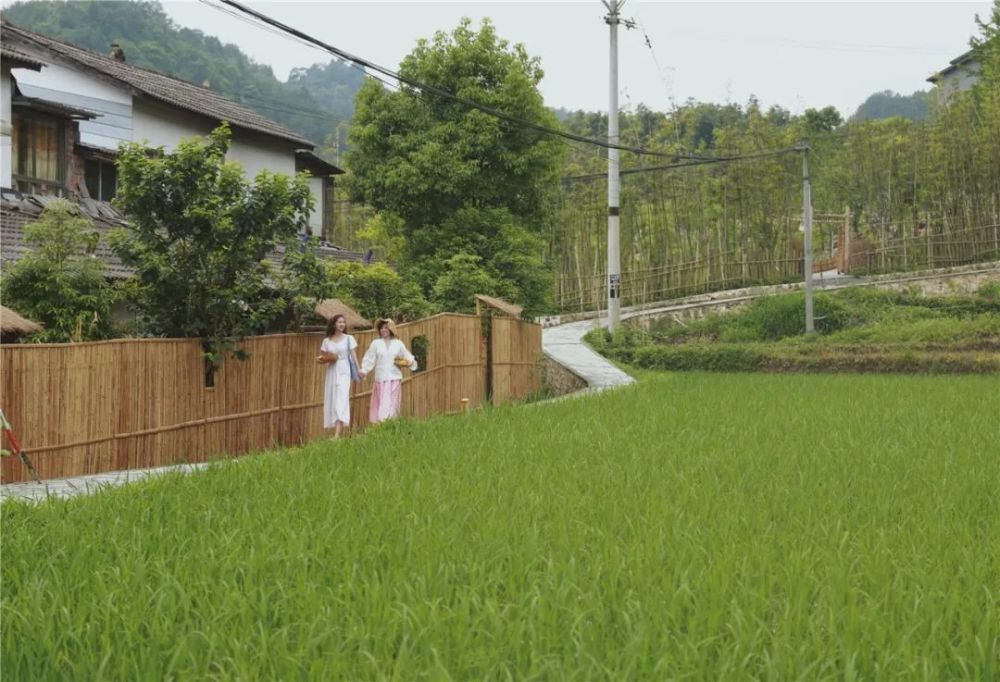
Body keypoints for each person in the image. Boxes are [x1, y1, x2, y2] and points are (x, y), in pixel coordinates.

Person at [361, 317, 417, 424]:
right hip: (380, 380)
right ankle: (380, 427)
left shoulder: (398, 343)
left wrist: (411, 363)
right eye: (381, 328)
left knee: (392, 404)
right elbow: (369, 358)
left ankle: (390, 426)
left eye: (386, 328)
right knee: (382, 404)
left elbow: (406, 356)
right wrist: (364, 370)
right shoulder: (376, 343)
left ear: (391, 329)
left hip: (394, 379)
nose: (383, 330)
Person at [317, 314, 362, 438]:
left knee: (341, 399)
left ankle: (337, 435)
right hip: (332, 371)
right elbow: (324, 356)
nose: (342, 324)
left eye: (343, 322)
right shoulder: (326, 341)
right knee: (332, 398)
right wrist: (320, 359)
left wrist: (359, 370)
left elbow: (353, 356)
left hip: (344, 371)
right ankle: (335, 432)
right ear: (333, 324)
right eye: (339, 322)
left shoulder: (349, 338)